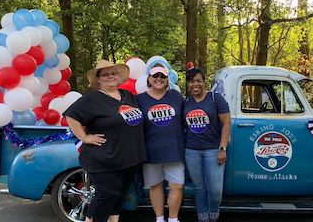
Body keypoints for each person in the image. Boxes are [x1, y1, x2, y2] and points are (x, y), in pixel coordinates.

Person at [63, 60, 147, 222]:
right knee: (106, 197)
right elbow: (71, 115)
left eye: (113, 73)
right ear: (98, 79)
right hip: (105, 158)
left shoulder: (127, 95)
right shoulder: (92, 99)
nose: (110, 76)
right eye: (105, 74)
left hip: (129, 158)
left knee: (118, 196)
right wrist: (84, 137)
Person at [137, 66, 185, 222]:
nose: (158, 78)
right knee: (155, 186)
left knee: (177, 186)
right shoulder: (139, 99)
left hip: (174, 150)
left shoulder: (176, 97)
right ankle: (159, 218)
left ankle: (173, 219)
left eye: (162, 76)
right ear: (149, 79)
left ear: (167, 80)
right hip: (150, 151)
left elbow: (188, 117)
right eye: (155, 75)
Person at [184, 67, 231, 222]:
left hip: (213, 150)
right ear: (188, 84)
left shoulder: (215, 98)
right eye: (191, 81)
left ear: (204, 82)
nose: (195, 84)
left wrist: (222, 148)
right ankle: (202, 216)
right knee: (199, 187)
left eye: (198, 81)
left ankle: (213, 213)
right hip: (191, 151)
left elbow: (226, 123)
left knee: (215, 190)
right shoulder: (186, 102)